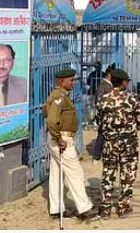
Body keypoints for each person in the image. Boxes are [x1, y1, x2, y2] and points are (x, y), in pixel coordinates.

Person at [43, 69, 99, 221]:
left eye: (73, 80)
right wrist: (58, 138)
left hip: (58, 138)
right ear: (61, 81)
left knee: (56, 174)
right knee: (75, 173)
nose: (73, 83)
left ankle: (56, 209)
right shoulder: (59, 97)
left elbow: (45, 111)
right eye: (70, 80)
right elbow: (51, 120)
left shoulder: (58, 96)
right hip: (62, 139)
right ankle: (84, 207)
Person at [97, 69, 140, 219]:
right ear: (123, 83)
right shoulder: (132, 99)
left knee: (108, 175)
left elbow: (98, 121)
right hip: (128, 144)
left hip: (110, 144)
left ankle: (105, 209)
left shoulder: (103, 100)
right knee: (127, 175)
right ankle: (123, 207)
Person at [92, 64, 116, 161]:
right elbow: (99, 100)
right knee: (102, 134)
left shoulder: (109, 84)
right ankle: (97, 155)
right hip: (104, 114)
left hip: (109, 114)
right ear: (109, 74)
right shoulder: (103, 85)